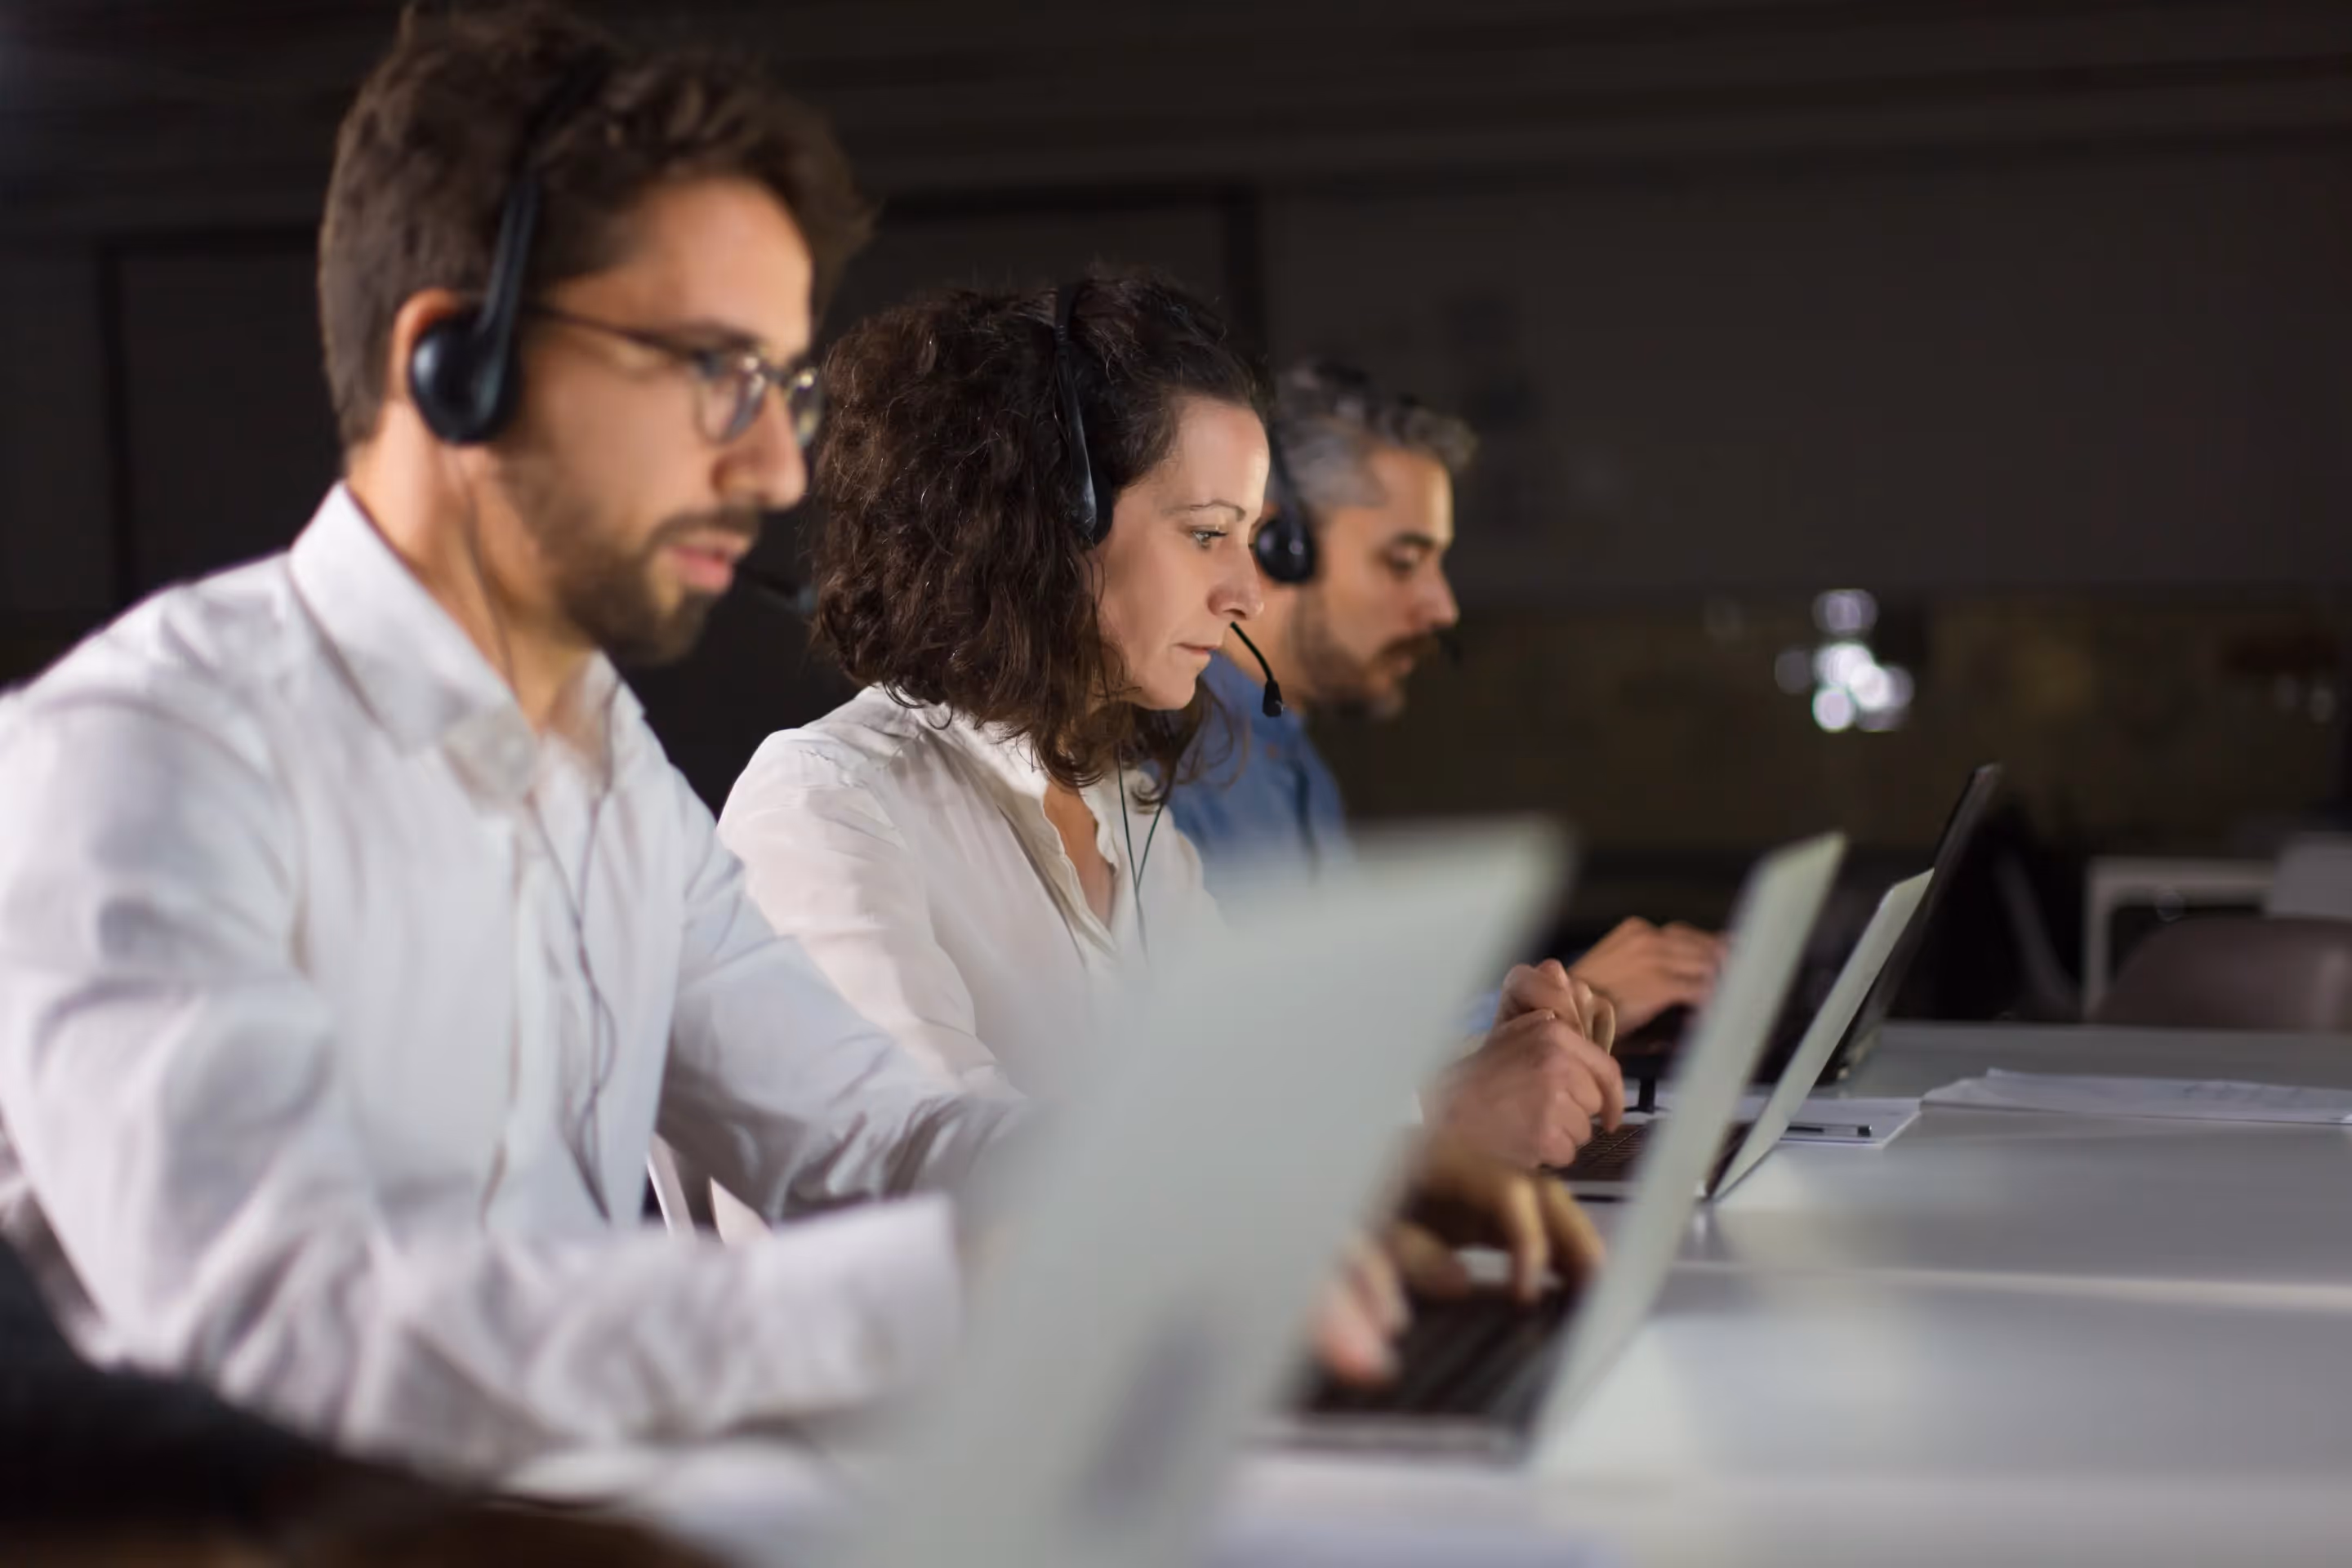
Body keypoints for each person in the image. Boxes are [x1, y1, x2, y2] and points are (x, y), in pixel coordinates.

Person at [0, 6, 1588, 1474]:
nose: (772, 469)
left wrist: (1282, 1190)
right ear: (454, 364)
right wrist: (985, 1285)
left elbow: (871, 1132)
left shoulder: (606, 765)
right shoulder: (144, 758)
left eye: (781, 385)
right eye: (713, 373)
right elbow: (281, 1334)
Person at [715, 270, 1625, 1193]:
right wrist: (1432, 1125)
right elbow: (939, 1183)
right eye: (1205, 534)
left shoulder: (1126, 803)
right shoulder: (825, 809)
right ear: (1053, 526)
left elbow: (1259, 1093)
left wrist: (1464, 1076)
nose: (1249, 594)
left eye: (1252, 536)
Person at [1169, 363, 1727, 1055]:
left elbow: (1349, 1033)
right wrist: (1570, 1005)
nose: (1443, 607)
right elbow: (1275, 1067)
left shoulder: (1294, 759)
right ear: (1277, 549)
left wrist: (1564, 1013)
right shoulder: (1172, 768)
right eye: (1404, 562)